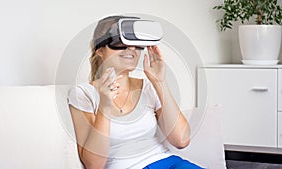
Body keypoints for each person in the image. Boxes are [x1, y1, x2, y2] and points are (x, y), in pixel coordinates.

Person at [67, 15, 203, 169]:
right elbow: (94, 165)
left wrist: (160, 82)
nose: (131, 48)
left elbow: (181, 140)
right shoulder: (83, 94)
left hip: (170, 163)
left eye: (135, 43)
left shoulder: (147, 86)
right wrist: (104, 107)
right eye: (120, 42)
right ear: (100, 50)